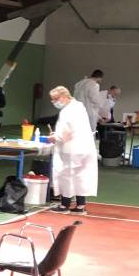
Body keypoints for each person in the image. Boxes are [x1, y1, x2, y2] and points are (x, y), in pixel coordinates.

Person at [48, 85, 98, 214]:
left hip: (72, 148)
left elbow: (67, 132)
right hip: (84, 148)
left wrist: (55, 137)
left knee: (66, 175)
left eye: (56, 99)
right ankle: (80, 205)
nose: (54, 102)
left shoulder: (68, 111)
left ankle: (64, 205)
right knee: (80, 176)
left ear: (64, 96)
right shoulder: (79, 106)